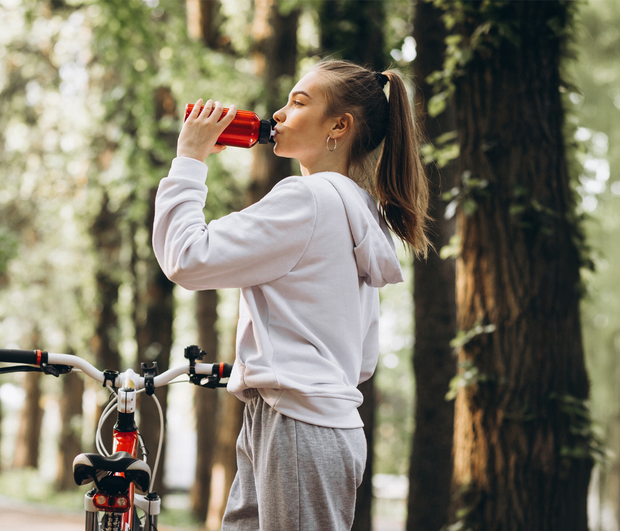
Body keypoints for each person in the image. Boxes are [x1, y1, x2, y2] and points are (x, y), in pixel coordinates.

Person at [152, 59, 430, 530]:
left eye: (299, 103)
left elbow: (186, 257)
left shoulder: (307, 201)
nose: (278, 114)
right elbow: (361, 359)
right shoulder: (357, 211)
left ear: (339, 126)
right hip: (294, 418)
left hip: (297, 423)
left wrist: (189, 159)